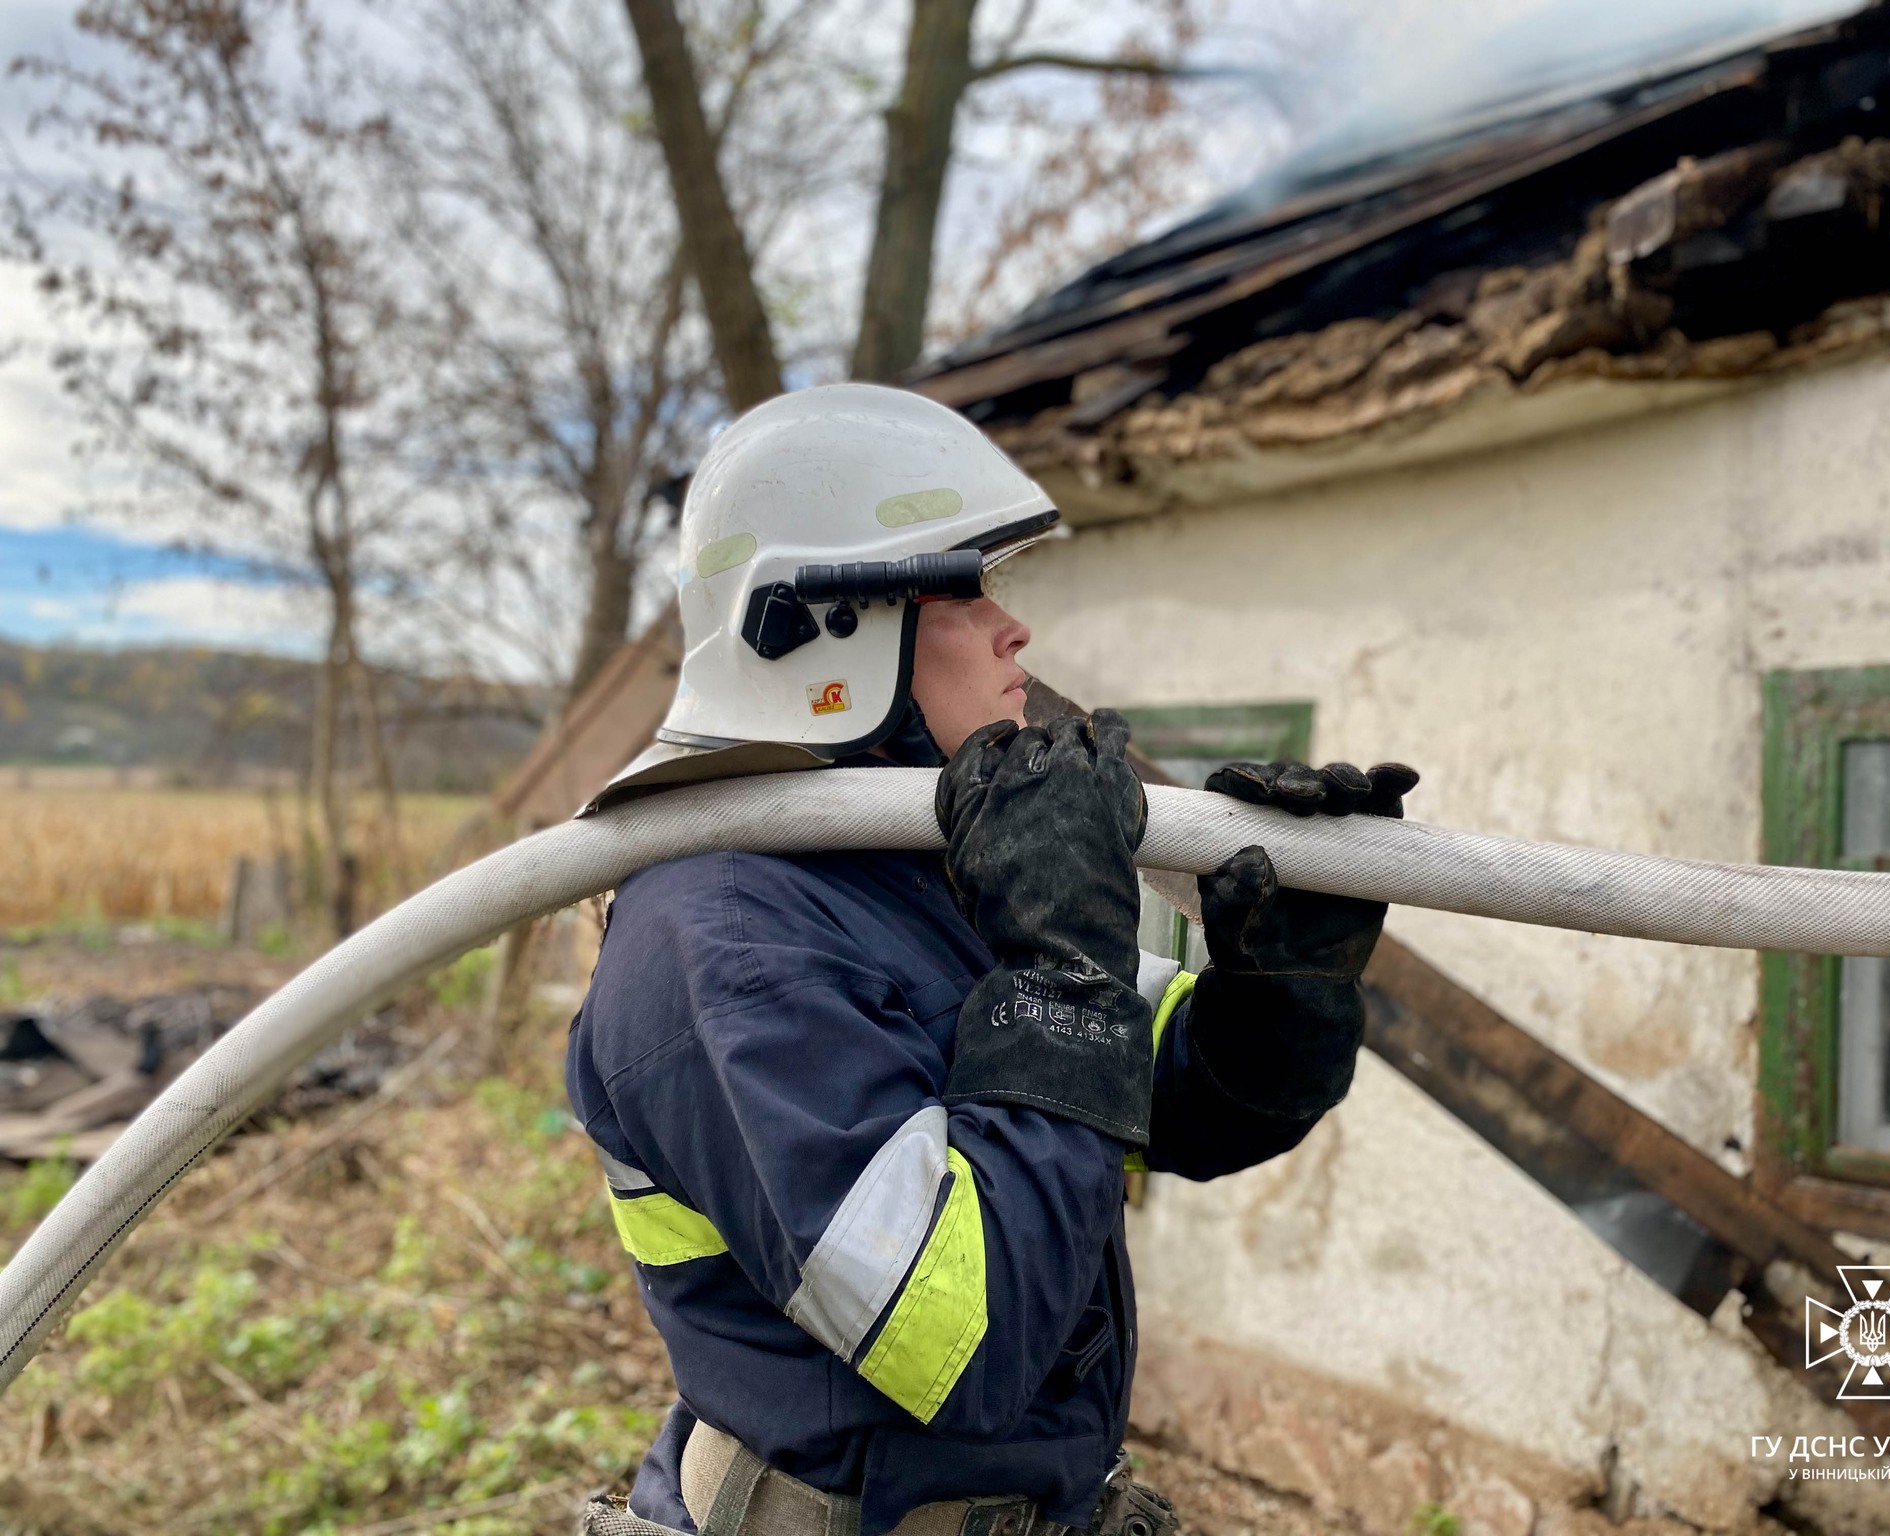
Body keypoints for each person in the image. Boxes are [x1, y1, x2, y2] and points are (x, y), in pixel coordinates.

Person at [567, 384, 1417, 1536]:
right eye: (961, 588)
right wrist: (1061, 957)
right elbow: (961, 1335)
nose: (1012, 629)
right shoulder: (723, 937)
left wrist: (1275, 989)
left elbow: (1171, 1096)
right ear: (825, 629)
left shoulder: (907, 872)